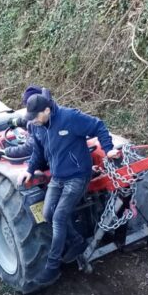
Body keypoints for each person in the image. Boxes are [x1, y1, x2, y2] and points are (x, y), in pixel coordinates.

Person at [22, 91, 120, 284]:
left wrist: (108, 149)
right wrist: (30, 169)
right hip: (58, 177)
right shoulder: (38, 127)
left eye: (35, 117)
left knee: (59, 217)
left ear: (47, 110)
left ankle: (52, 266)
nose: (33, 121)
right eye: (30, 118)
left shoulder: (69, 117)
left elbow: (98, 126)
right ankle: (77, 241)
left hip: (78, 176)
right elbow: (38, 151)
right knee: (48, 213)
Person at [0, 85, 50, 162]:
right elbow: (27, 120)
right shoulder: (42, 113)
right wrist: (15, 122)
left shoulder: (42, 124)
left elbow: (29, 148)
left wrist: (5, 151)